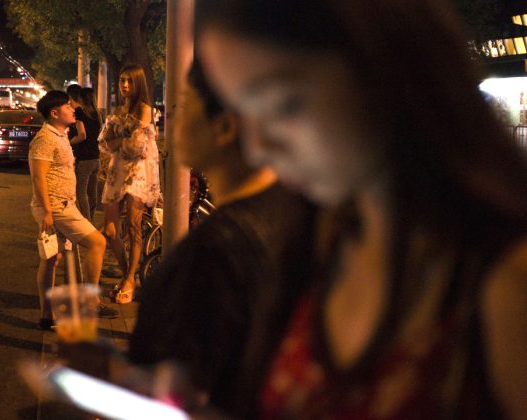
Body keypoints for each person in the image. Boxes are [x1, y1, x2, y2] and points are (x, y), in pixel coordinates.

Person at [193, 0, 527, 418]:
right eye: (241, 111)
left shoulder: (504, 284)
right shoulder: (320, 240)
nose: (256, 149)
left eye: (283, 105)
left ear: (384, 63)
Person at [126, 58, 317, 418]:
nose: (174, 120)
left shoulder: (210, 254)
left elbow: (164, 397)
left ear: (225, 126)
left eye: (186, 105)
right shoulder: (302, 217)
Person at [29, 90, 112, 330]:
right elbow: (38, 177)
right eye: (67, 106)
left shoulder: (61, 134)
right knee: (97, 243)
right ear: (55, 113)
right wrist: (46, 211)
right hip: (56, 207)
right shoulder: (45, 139)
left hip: (63, 204)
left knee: (52, 258)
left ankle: (47, 316)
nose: (73, 108)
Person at [99, 65, 161, 304]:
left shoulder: (145, 110)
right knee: (110, 231)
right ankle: (128, 274)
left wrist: (119, 140)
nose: (124, 86)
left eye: (129, 82)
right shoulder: (118, 109)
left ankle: (128, 281)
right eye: (122, 81)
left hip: (138, 176)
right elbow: (104, 143)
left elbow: (136, 146)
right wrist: (123, 139)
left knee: (134, 228)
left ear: (139, 84)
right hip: (117, 174)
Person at [68, 86, 102, 222]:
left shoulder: (80, 113)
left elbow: (82, 135)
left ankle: (85, 224)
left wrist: (69, 142)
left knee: (81, 193)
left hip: (84, 158)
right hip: (95, 158)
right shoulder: (96, 114)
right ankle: (91, 221)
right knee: (92, 194)